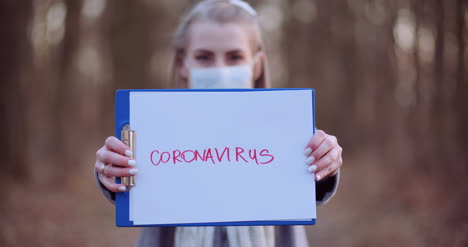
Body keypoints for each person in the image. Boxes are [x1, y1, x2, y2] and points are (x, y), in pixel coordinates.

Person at [94, 1, 343, 246]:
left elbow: (307, 186)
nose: (220, 69)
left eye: (235, 57)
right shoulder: (154, 128)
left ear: (256, 64)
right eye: (204, 57)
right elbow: (131, 189)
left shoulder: (284, 130)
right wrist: (112, 170)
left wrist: (324, 163)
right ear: (183, 64)